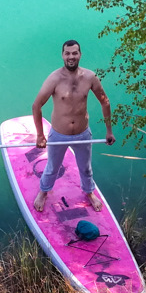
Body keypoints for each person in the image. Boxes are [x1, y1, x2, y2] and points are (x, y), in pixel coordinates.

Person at [31, 39, 114, 212]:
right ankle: (44, 191)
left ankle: (89, 192)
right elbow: (36, 105)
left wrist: (109, 131)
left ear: (80, 54)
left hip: (83, 134)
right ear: (62, 55)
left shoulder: (90, 77)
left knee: (86, 168)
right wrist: (40, 135)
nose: (71, 57)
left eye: (74, 53)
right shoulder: (54, 78)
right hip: (59, 134)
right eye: (67, 53)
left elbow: (105, 102)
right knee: (52, 167)